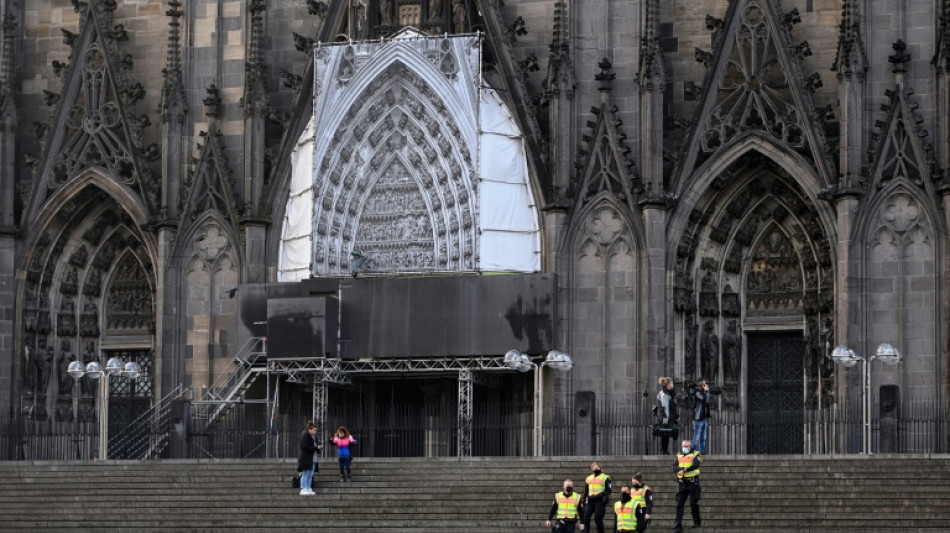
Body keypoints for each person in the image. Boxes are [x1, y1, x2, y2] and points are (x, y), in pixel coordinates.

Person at [673, 440, 702, 532]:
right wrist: (680, 470)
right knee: (679, 504)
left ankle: (697, 522)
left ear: (690, 446)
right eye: (683, 446)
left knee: (693, 503)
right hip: (683, 483)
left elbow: (696, 465)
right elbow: (674, 467)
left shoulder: (696, 454)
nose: (684, 448)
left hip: (693, 483)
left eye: (686, 446)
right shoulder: (679, 455)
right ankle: (678, 525)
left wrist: (685, 470)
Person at [582, 462, 612, 533]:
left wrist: (600, 495)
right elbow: (586, 491)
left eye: (597, 467)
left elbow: (608, 490)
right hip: (591, 500)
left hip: (600, 500)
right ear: (591, 469)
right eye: (593, 467)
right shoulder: (588, 478)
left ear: (600, 467)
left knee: (597, 518)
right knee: (586, 517)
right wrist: (584, 501)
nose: (595, 468)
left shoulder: (606, 477)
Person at [296, 423, 323, 496]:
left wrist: (318, 449)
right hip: (306, 458)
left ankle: (309, 488)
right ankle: (303, 488)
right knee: (306, 473)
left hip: (313, 458)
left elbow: (314, 447)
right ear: (309, 429)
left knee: (310, 474)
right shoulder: (305, 436)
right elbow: (304, 447)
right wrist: (316, 448)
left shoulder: (314, 437)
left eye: (316, 430)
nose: (315, 432)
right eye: (314, 430)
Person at [656, 377, 678, 454]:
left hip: (669, 417)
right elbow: (664, 407)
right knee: (665, 434)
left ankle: (665, 451)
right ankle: (664, 451)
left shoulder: (669, 393)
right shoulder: (664, 394)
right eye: (672, 383)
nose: (673, 384)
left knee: (667, 434)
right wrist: (665, 419)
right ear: (668, 384)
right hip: (665, 417)